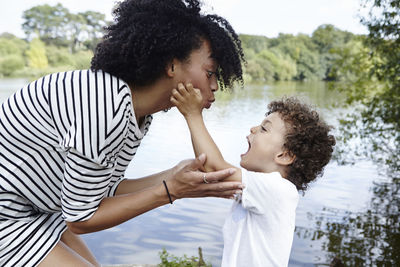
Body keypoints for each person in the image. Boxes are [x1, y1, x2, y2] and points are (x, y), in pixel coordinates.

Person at [0, 0, 246, 266]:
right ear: (172, 66)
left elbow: (107, 189)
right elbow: (81, 219)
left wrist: (173, 175)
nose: (215, 85)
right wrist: (172, 191)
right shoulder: (104, 106)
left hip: (35, 214)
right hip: (8, 217)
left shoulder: (135, 112)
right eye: (209, 72)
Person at [171, 84, 336, 267]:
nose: (252, 128)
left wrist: (193, 114)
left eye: (264, 129)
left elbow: (213, 168)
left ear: (285, 155)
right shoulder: (260, 190)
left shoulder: (279, 190)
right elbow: (211, 171)